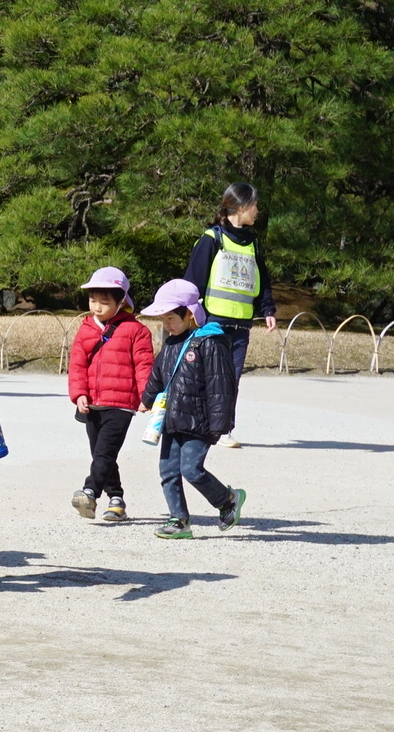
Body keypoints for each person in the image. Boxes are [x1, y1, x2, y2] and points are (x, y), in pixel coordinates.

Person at [138, 279, 246, 540]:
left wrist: (221, 424)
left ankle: (228, 500)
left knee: (191, 469)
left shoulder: (210, 341)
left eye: (171, 318)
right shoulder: (171, 343)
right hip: (172, 419)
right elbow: (158, 375)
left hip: (201, 421)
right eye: (163, 319)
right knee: (168, 471)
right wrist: (147, 398)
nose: (167, 325)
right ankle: (179, 520)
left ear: (190, 313)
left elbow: (221, 385)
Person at [185, 182, 277, 447]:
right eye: (255, 205)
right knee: (205, 376)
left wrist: (267, 309)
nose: (258, 210)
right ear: (240, 207)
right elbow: (193, 280)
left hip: (241, 325)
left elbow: (263, 280)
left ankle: (223, 430)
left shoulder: (253, 243)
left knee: (231, 379)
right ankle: (198, 424)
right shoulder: (211, 239)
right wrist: (188, 313)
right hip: (213, 322)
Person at [66, 267, 154, 524]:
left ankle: (89, 492)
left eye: (105, 302)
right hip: (92, 403)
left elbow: (144, 365)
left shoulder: (137, 331)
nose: (97, 307)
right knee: (101, 455)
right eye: (93, 300)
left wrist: (146, 397)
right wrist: (79, 394)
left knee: (104, 453)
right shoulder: (85, 329)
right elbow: (77, 366)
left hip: (121, 405)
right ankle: (116, 500)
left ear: (121, 302)